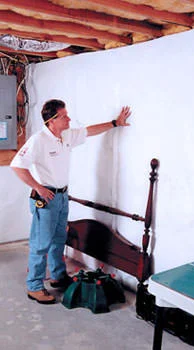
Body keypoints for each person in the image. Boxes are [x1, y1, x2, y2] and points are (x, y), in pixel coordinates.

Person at [10, 99, 131, 304]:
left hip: (62, 196)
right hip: (46, 198)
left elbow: (88, 131)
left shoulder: (65, 135)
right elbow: (17, 166)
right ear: (52, 120)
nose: (69, 119)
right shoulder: (38, 140)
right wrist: (38, 188)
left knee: (58, 240)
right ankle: (35, 287)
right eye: (64, 116)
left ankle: (58, 276)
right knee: (41, 244)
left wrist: (114, 123)